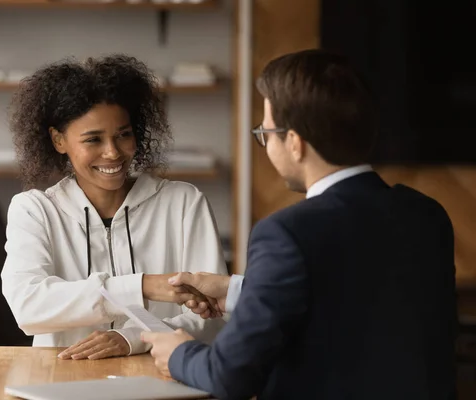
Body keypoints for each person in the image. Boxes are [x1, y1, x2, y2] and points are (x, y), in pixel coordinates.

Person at [141, 49, 457, 400]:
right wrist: (237, 291)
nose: (265, 143)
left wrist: (179, 354)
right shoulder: (427, 214)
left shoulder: (286, 233)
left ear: (294, 143)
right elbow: (349, 300)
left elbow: (229, 377)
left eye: (265, 132)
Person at [1, 54, 226, 361]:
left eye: (123, 135)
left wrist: (130, 338)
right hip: (61, 380)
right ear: (58, 140)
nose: (113, 152)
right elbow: (28, 307)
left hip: (162, 377)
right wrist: (142, 287)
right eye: (93, 139)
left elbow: (212, 317)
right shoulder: (34, 211)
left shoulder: (184, 203)